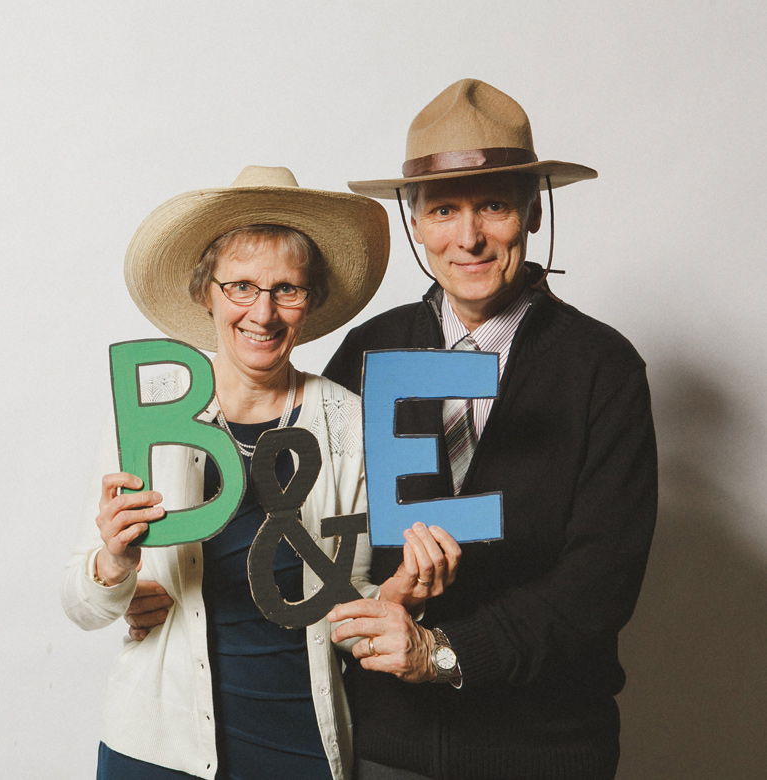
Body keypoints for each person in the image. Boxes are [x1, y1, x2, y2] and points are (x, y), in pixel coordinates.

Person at [61, 165, 460, 780]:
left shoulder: (348, 424)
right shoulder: (150, 417)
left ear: (311, 301)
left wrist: (390, 601)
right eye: (241, 286)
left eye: (286, 290)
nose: (263, 312)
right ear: (207, 293)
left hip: (298, 741)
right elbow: (82, 605)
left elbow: (343, 601)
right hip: (158, 747)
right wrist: (113, 564)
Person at [324, 79, 658, 780]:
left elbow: (599, 582)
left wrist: (443, 652)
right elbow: (312, 532)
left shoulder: (603, 367)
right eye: (444, 209)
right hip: (388, 748)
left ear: (534, 211)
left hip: (544, 750)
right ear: (414, 221)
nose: (468, 236)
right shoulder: (368, 351)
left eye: (495, 205)